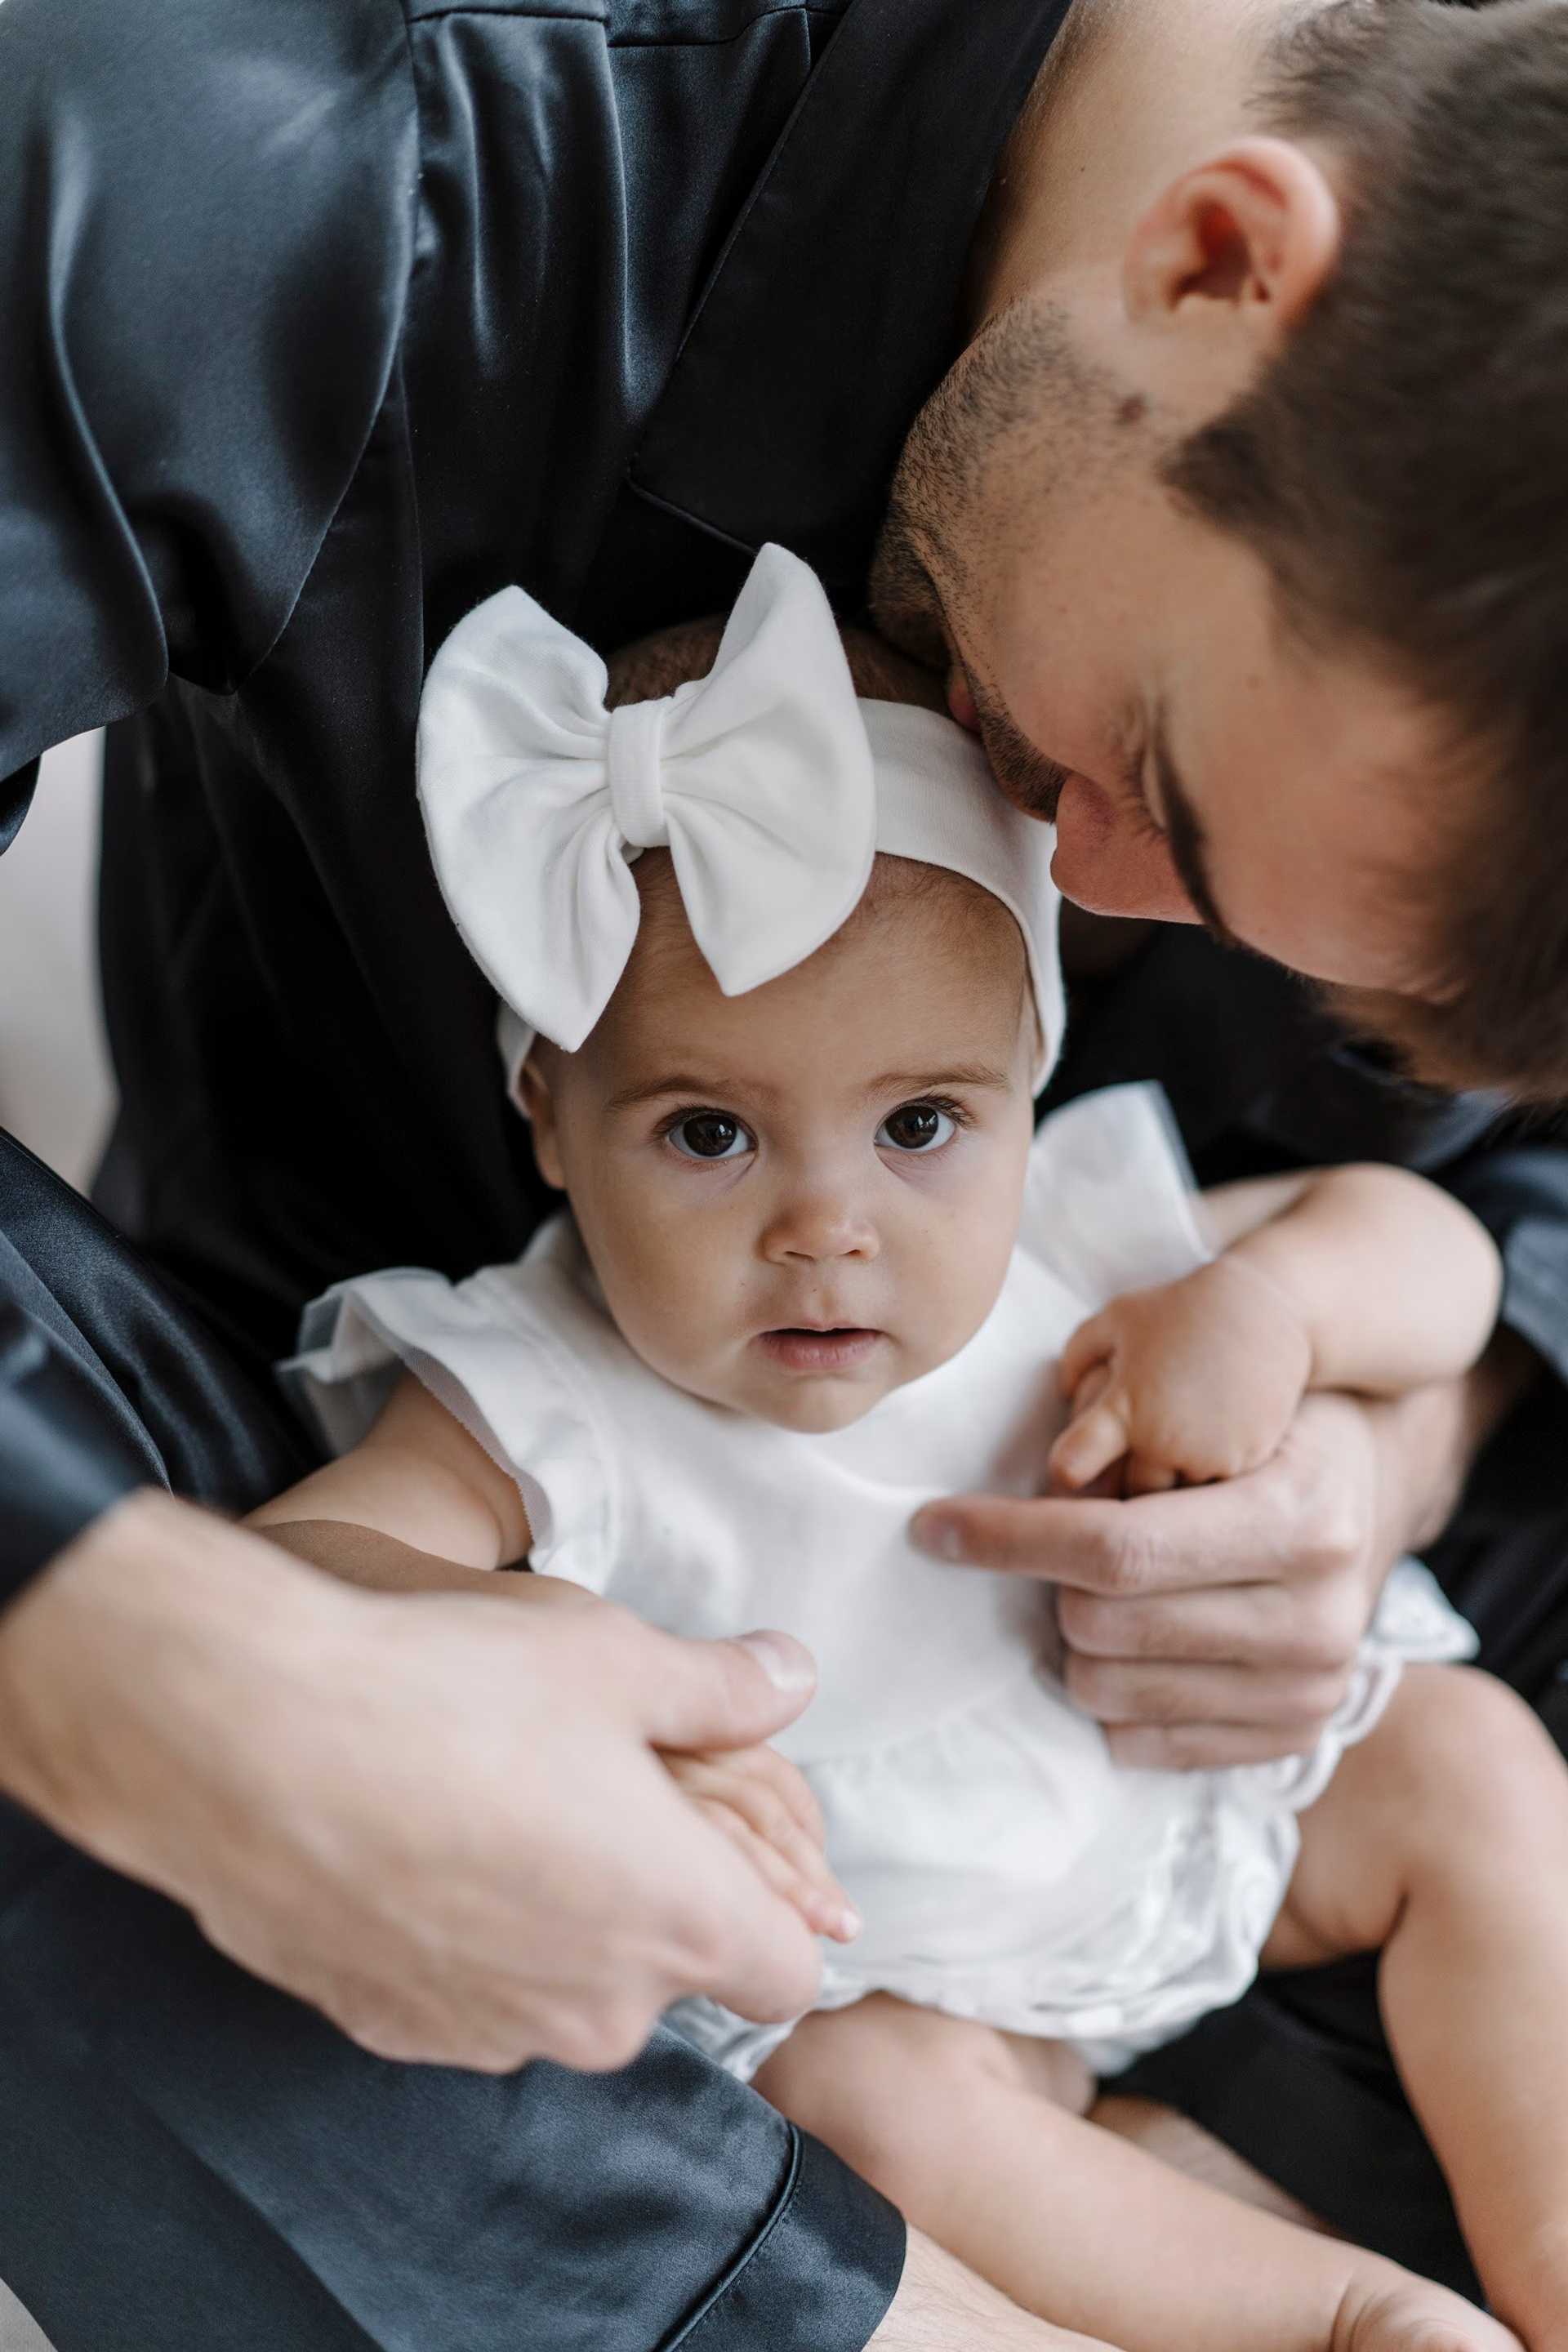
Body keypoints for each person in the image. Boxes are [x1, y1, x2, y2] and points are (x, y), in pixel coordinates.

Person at [1, 0, 1567, 2333]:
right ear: (1226, 262)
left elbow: (1488, 1231)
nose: (1102, 912)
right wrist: (169, 1670)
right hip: (459, 1597)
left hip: (1241, 1726)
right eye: (1155, 771)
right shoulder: (324, 156)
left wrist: (1406, 1425)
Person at [252, 553, 1566, 2352]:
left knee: (1470, 1758)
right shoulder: (537, 1384)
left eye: (923, 1123)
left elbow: (1436, 1253)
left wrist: (1281, 1309)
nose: (827, 1226)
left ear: (1028, 1069)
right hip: (913, 1957)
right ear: (549, 1116)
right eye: (709, 1130)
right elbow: (308, 1570)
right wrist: (591, 1686)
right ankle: (1341, 2321)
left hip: (1208, 1800)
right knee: (859, 2107)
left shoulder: (1068, 1234)